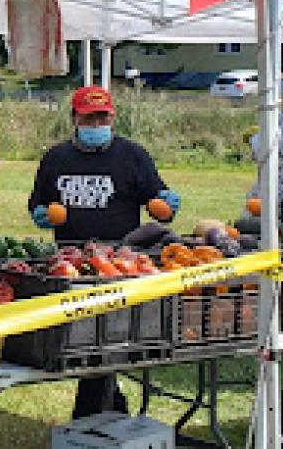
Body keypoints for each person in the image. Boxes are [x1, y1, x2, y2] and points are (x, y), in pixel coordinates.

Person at [27, 85, 181, 420]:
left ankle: (94, 410)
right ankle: (106, 405)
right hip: (71, 266)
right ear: (74, 118)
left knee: (106, 341)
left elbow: (158, 199)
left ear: (112, 117)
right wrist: (41, 214)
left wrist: (167, 205)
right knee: (86, 342)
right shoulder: (56, 158)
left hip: (120, 265)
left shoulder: (132, 156)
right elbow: (38, 203)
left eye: (102, 117)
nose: (96, 123)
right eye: (89, 117)